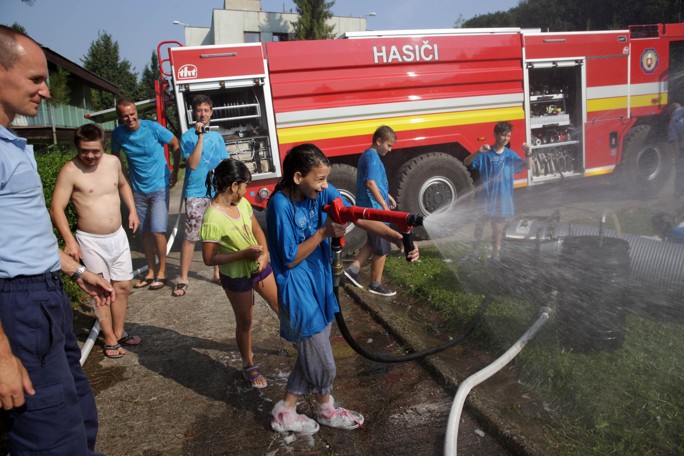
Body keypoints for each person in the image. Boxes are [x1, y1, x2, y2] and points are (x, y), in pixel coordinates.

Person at [0, 25, 114, 455]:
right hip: (17, 306)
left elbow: (18, 240)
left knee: (78, 413)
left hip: (42, 296)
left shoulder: (10, 142)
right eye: (34, 79)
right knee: (49, 434)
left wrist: (77, 270)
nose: (46, 92)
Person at [266, 144, 419, 434]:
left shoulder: (321, 192)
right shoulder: (280, 205)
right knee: (323, 361)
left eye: (326, 179)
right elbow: (287, 258)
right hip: (297, 286)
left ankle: (286, 410)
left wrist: (397, 237)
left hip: (320, 278)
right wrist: (323, 232)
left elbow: (356, 216)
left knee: (313, 349)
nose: (325, 185)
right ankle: (326, 408)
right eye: (320, 179)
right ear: (298, 177)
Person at [50, 123, 142, 359]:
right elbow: (56, 208)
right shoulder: (70, 170)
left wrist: (132, 210)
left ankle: (119, 332)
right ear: (77, 148)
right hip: (90, 240)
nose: (90, 156)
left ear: (103, 147)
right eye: (84, 151)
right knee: (101, 291)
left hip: (118, 236)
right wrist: (70, 241)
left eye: (95, 151)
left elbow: (122, 184)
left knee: (122, 286)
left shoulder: (113, 162)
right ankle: (109, 338)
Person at [200, 158, 279, 388]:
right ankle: (248, 364)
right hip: (235, 276)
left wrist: (263, 255)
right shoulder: (212, 218)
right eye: (244, 185)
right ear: (233, 186)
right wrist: (242, 254)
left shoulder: (242, 204)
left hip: (259, 267)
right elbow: (208, 259)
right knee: (245, 321)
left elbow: (257, 230)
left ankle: (299, 342)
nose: (246, 190)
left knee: (281, 306)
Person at [111, 98, 181, 290]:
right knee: (144, 232)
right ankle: (150, 271)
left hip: (159, 186)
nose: (130, 118)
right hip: (137, 190)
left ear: (136, 113)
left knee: (158, 230)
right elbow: (115, 158)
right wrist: (122, 178)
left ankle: (163, 272)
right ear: (120, 118)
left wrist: (174, 171)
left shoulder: (152, 128)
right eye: (125, 116)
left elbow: (175, 144)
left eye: (132, 114)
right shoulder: (118, 134)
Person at [174, 94, 228, 297]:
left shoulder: (219, 137)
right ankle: (183, 278)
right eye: (199, 110)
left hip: (216, 192)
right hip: (196, 192)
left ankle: (217, 272)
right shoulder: (187, 136)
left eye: (206, 110)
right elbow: (194, 164)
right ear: (193, 113)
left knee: (217, 234)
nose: (203, 114)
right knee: (190, 236)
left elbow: (224, 163)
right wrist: (200, 137)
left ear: (211, 112)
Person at [463, 121, 530, 261]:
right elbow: (466, 162)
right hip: (484, 198)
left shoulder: (510, 155)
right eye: (502, 135)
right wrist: (477, 152)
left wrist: (529, 153)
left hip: (502, 199)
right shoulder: (485, 154)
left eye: (508, 135)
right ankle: (474, 252)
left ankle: (496, 255)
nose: (505, 138)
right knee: (479, 225)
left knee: (497, 228)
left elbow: (528, 167)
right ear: (495, 135)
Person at [344, 125, 398, 297]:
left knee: (372, 243)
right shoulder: (373, 158)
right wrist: (383, 205)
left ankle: (352, 270)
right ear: (379, 141)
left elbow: (375, 182)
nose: (390, 150)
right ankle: (376, 284)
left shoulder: (368, 155)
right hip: (373, 208)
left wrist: (387, 196)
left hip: (369, 205)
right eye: (388, 145)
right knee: (382, 247)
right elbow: (370, 184)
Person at [666, 102, 684, 197]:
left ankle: (679, 192)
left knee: (680, 170)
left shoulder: (673, 121)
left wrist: (677, 157)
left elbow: (674, 141)